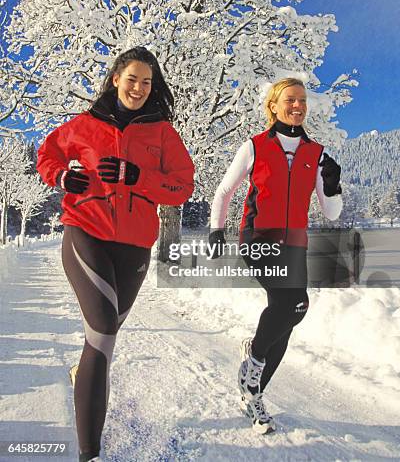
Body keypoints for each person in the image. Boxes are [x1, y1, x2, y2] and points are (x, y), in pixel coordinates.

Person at [37, 47, 194, 462]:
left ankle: (83, 373)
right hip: (85, 230)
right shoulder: (83, 126)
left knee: (101, 341)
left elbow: (182, 186)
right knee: (104, 326)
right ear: (115, 79)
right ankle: (90, 454)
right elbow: (48, 155)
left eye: (147, 81)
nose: (139, 88)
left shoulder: (162, 133)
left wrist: (140, 178)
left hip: (136, 245)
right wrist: (62, 176)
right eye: (132, 79)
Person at [208, 78, 342, 434]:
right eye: (289, 100)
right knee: (292, 305)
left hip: (295, 244)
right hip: (258, 239)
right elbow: (224, 191)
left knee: (289, 314)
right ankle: (252, 361)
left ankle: (254, 392)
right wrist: (216, 230)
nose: (297, 106)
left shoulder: (317, 154)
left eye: (302, 100)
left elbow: (331, 213)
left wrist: (332, 184)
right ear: (274, 105)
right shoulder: (254, 146)